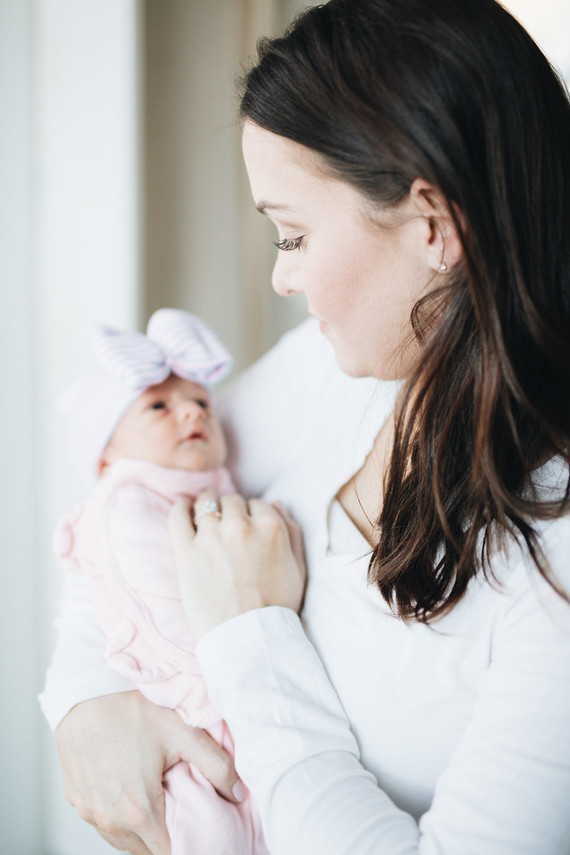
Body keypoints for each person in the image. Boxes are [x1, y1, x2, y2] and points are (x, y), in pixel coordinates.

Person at [40, 0, 570, 853]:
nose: (284, 278)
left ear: (434, 227)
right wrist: (85, 694)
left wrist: (249, 635)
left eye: (293, 234)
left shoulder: (553, 561)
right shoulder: (340, 370)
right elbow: (131, 482)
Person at [50, 308, 269, 855]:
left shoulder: (213, 491)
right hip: (179, 701)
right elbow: (148, 606)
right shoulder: (125, 503)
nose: (191, 412)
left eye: (201, 402)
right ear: (105, 454)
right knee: (206, 831)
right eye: (158, 406)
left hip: (224, 706)